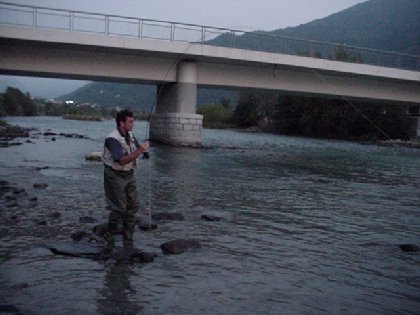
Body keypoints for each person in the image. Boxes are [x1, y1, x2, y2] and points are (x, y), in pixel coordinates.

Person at [102, 109, 149, 251]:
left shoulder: (130, 135)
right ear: (121, 123)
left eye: (133, 121)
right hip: (114, 175)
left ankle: (128, 237)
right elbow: (121, 160)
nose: (133, 124)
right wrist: (139, 151)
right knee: (119, 209)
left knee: (133, 205)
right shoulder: (112, 139)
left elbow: (134, 148)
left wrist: (143, 151)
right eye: (130, 121)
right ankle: (109, 235)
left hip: (129, 174)